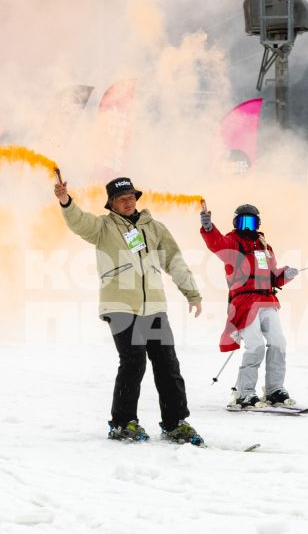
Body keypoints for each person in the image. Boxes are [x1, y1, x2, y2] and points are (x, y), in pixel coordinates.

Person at [55, 173, 206, 443]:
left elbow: (174, 261)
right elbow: (79, 223)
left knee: (167, 363)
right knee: (133, 361)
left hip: (154, 307)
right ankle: (123, 422)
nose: (128, 202)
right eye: (121, 199)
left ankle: (175, 423)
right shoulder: (103, 227)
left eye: (131, 197)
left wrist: (192, 292)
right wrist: (66, 201)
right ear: (111, 203)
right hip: (121, 305)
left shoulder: (154, 228)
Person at [201, 201, 298, 409]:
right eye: (243, 222)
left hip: (267, 300)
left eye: (251, 222)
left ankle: (275, 390)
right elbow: (216, 244)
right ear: (236, 223)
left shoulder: (265, 246)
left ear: (258, 224)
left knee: (279, 343)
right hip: (245, 302)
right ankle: (244, 393)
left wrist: (285, 275)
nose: (247, 227)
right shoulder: (232, 242)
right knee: (255, 345)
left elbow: (273, 277)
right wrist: (209, 228)